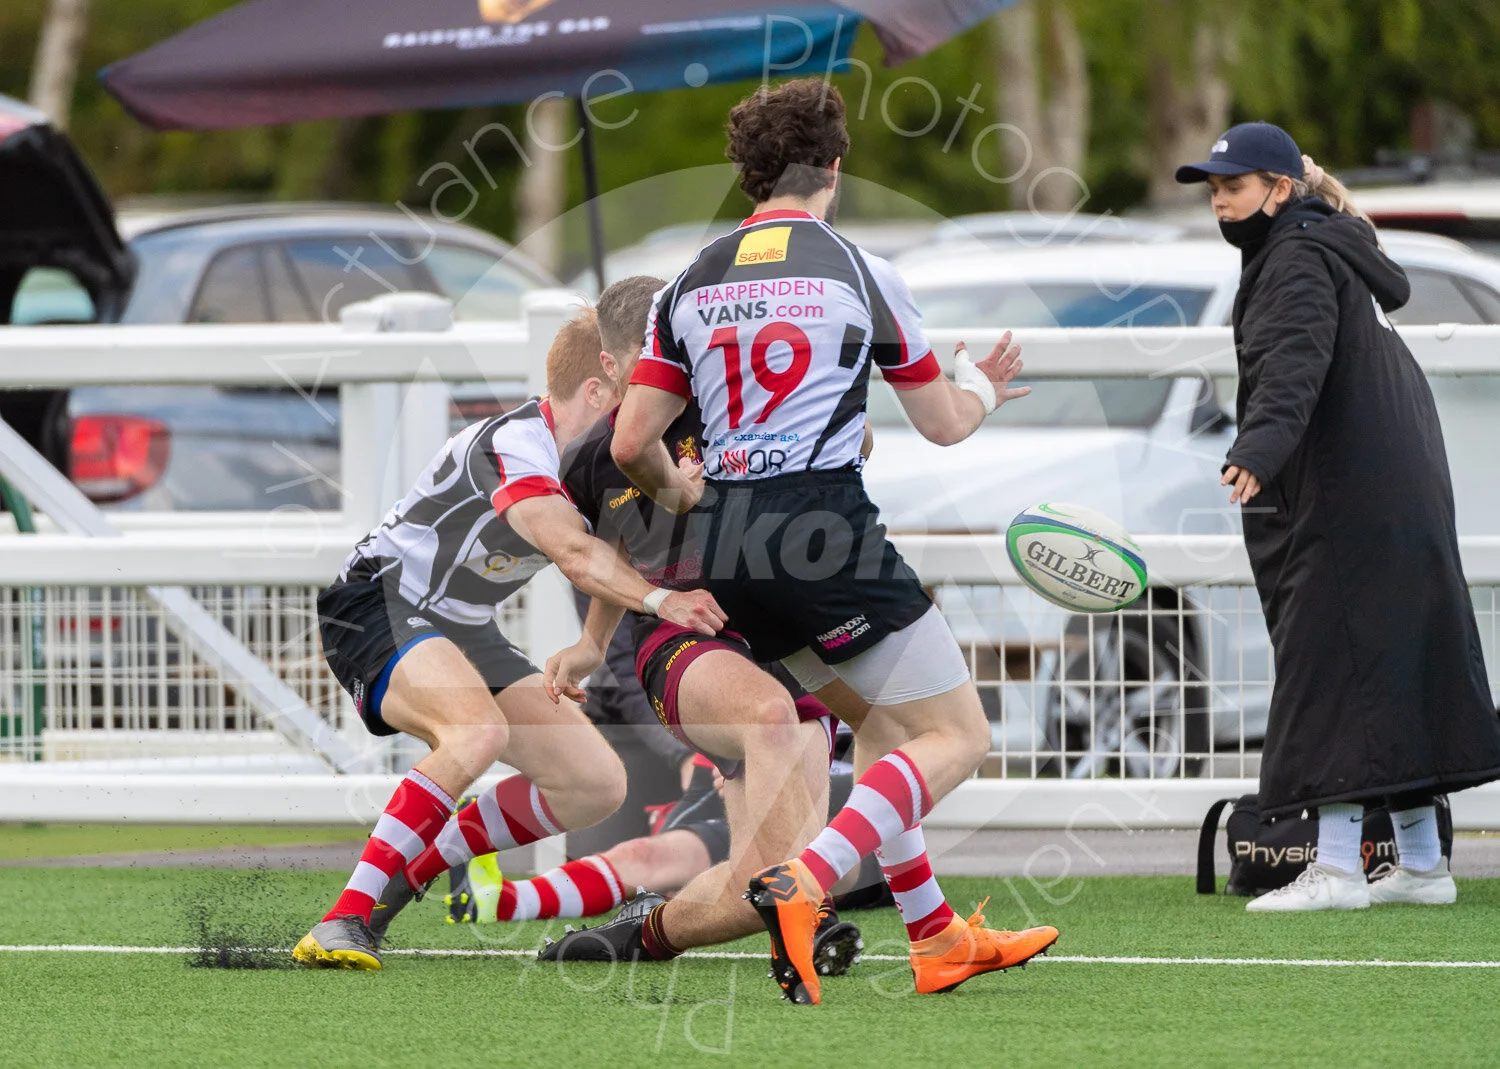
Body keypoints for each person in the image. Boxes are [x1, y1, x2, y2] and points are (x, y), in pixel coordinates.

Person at [611, 78, 1058, 1005]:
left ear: (750, 176)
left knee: (887, 730)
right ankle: (806, 879)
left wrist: (678, 489)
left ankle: (935, 937)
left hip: (727, 540)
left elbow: (629, 443)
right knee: (957, 736)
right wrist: (977, 387)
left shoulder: (690, 281)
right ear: (835, 168)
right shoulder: (858, 269)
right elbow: (940, 422)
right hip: (823, 529)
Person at [293, 309, 726, 969]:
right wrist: (666, 600)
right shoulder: (517, 442)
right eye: (640, 391)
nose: (653, 410)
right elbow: (574, 551)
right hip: (376, 606)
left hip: (458, 626)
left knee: (594, 782)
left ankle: (409, 876)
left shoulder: (605, 462)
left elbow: (620, 548)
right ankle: (342, 917)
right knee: (476, 732)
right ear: (596, 390)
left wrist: (589, 642)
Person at [1175, 121, 1500, 912]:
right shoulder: (1325, 244)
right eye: (1214, 190)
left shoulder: (1295, 258)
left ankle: (1338, 866)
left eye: (1235, 188)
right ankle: (1421, 861)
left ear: (1281, 190)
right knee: (1386, 664)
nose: (1221, 204)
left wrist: (1258, 447)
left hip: (1352, 496)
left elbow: (1294, 360)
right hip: (1394, 488)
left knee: (1333, 665)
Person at [538, 274, 854, 967]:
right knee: (774, 717)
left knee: (748, 888)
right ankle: (808, 908)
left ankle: (638, 932)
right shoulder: (596, 458)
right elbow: (612, 547)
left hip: (774, 641)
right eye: (649, 357)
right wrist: (594, 643)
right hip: (684, 647)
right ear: (613, 369)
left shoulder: (740, 411)